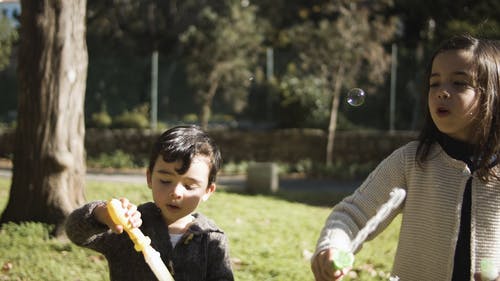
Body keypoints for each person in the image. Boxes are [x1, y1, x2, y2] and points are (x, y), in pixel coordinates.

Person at [311, 34, 499, 281]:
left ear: (492, 95)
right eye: (435, 83)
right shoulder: (411, 161)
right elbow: (353, 214)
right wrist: (333, 246)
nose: (442, 92)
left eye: (459, 83)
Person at [66, 125, 234, 281]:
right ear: (149, 178)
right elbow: (75, 232)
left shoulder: (211, 240)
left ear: (207, 191)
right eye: (165, 180)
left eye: (189, 186)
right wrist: (101, 214)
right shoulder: (129, 228)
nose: (176, 192)